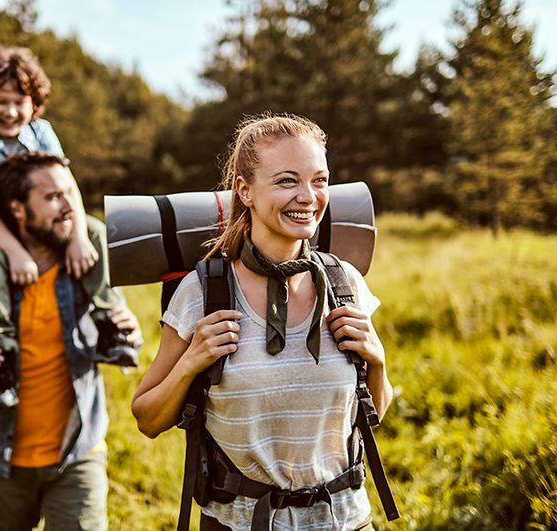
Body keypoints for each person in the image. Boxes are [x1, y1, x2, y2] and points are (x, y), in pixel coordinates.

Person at [131, 114, 393, 530]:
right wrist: (190, 363)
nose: (308, 197)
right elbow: (147, 418)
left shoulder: (346, 283)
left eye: (319, 180)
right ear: (245, 191)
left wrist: (376, 363)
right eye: (287, 181)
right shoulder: (204, 293)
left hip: (346, 520)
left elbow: (371, 412)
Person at [0, 151, 141, 530]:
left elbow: (116, 334)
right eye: (52, 197)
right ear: (18, 209)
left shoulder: (85, 261)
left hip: (77, 452)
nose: (68, 206)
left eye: (68, 193)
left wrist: (130, 332)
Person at [0, 46, 137, 367]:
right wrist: (14, 251)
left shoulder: (41, 132)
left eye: (18, 102)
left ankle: (109, 322)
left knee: (94, 232)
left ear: (33, 103)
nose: (9, 112)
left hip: (41, 223)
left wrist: (76, 236)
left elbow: (67, 185)